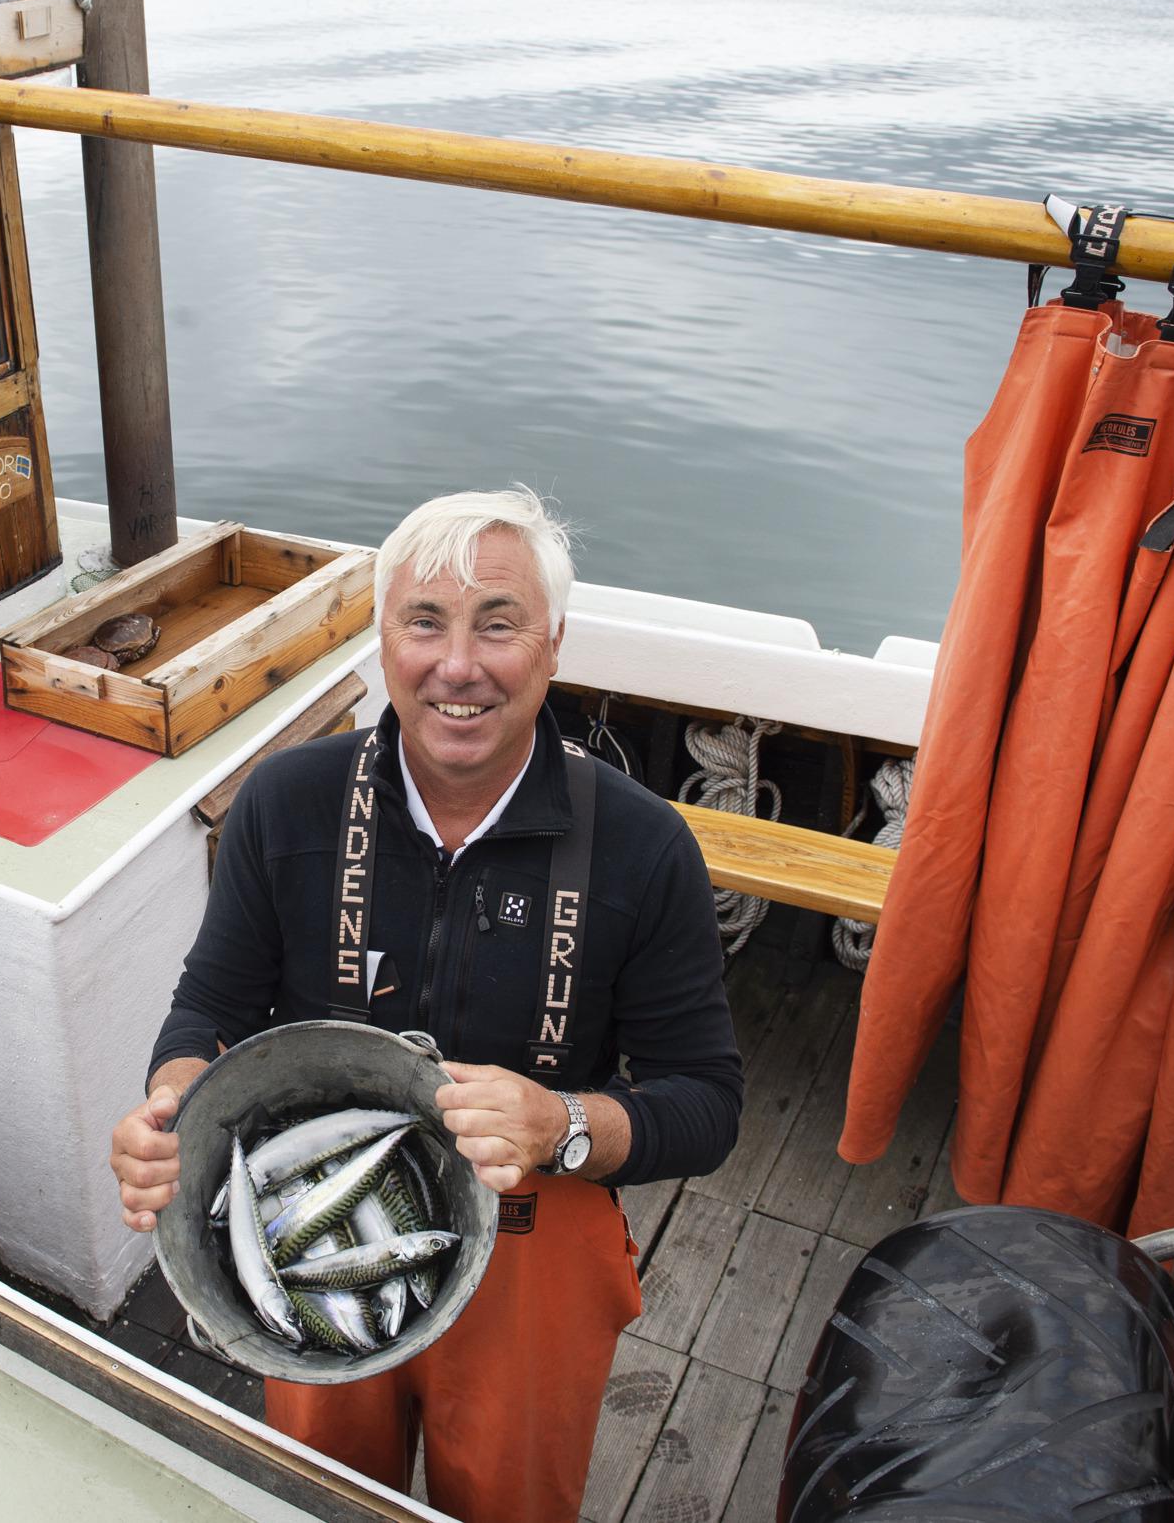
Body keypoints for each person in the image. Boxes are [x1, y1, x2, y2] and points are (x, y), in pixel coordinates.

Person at [110, 487, 744, 1522]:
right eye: (423, 621)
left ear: (551, 648)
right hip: (312, 1235)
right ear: (379, 640)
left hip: (536, 1235)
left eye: (498, 623)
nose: (458, 665)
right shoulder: (287, 803)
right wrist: (170, 1102)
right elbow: (208, 1005)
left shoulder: (642, 844)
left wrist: (563, 1122)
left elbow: (706, 1102)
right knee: (320, 1496)